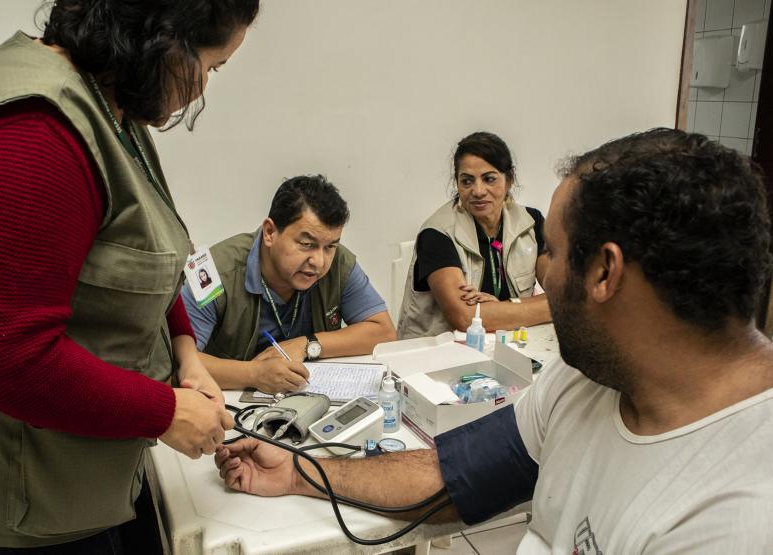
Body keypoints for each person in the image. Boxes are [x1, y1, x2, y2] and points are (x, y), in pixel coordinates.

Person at [215, 129, 773, 552]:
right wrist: (297, 471)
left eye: (549, 252)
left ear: (605, 272)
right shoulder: (583, 381)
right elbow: (449, 473)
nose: (541, 277)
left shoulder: (739, 518)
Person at [0, 0, 258, 552]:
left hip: (86, 445)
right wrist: (164, 411)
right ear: (164, 38)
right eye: (210, 67)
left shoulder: (106, 105)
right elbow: (3, 360)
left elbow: (143, 253)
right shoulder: (29, 136)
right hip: (18, 477)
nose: (202, 90)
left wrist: (186, 350)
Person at [182, 175, 397, 394]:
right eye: (306, 244)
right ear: (270, 232)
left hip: (308, 400)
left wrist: (307, 344)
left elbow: (384, 332)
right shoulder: (211, 274)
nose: (319, 262)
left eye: (330, 246)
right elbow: (179, 362)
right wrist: (254, 374)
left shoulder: (338, 264)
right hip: (227, 407)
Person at [398, 132, 551, 338]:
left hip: (505, 346)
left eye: (489, 179)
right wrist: (529, 308)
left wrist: (501, 308)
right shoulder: (437, 233)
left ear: (509, 180)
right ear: (457, 183)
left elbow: (565, 297)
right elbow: (464, 318)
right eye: (467, 181)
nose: (478, 191)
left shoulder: (531, 222)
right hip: (440, 356)